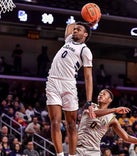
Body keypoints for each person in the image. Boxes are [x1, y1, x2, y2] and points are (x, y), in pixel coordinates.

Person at [46, 21, 96, 156]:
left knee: (72, 125)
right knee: (55, 122)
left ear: (85, 34)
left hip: (68, 84)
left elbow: (88, 77)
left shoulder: (85, 51)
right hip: (53, 81)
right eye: (75, 29)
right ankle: (60, 155)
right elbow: (69, 26)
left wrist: (89, 101)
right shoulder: (68, 40)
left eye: (78, 29)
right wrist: (85, 21)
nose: (74, 31)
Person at [76, 89, 137, 156]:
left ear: (110, 100)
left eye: (104, 94)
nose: (101, 94)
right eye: (100, 93)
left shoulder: (112, 119)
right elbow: (95, 113)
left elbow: (126, 137)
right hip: (77, 147)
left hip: (93, 151)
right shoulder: (90, 106)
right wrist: (114, 110)